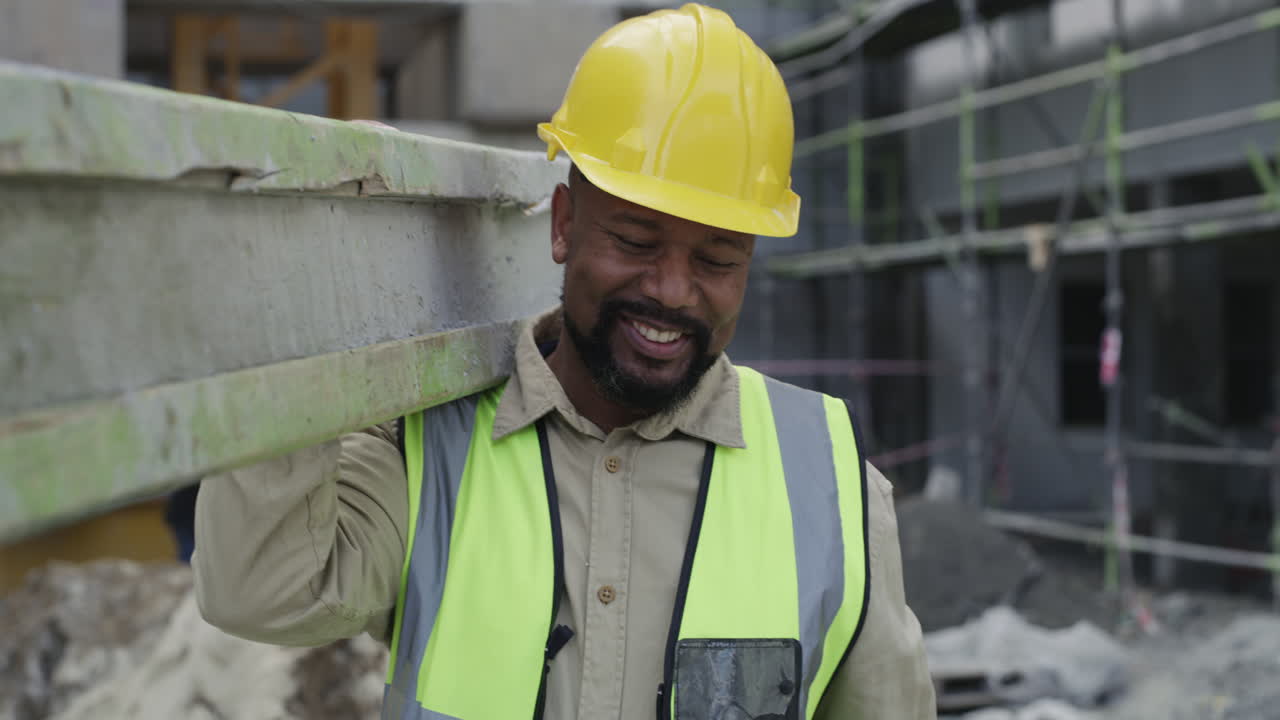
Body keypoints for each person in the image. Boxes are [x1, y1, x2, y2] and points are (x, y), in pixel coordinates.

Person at [193, 5, 935, 719]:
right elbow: (258, 591)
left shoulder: (831, 489)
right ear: (564, 226)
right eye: (636, 242)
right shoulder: (430, 451)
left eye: (716, 259)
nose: (672, 291)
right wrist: (310, 284)